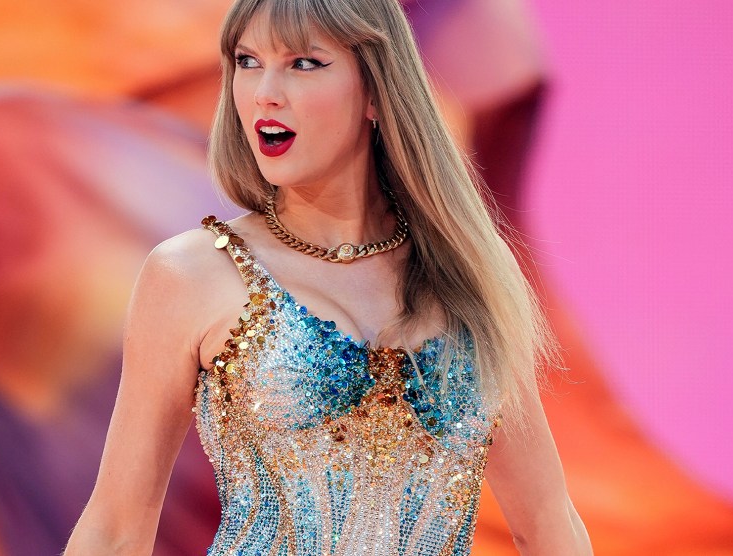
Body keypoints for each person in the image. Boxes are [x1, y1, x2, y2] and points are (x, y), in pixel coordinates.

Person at [64, 0, 592, 553]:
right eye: (247, 61)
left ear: (375, 91)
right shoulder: (192, 273)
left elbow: (546, 523)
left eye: (304, 63)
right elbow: (117, 527)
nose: (265, 91)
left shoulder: (468, 270)